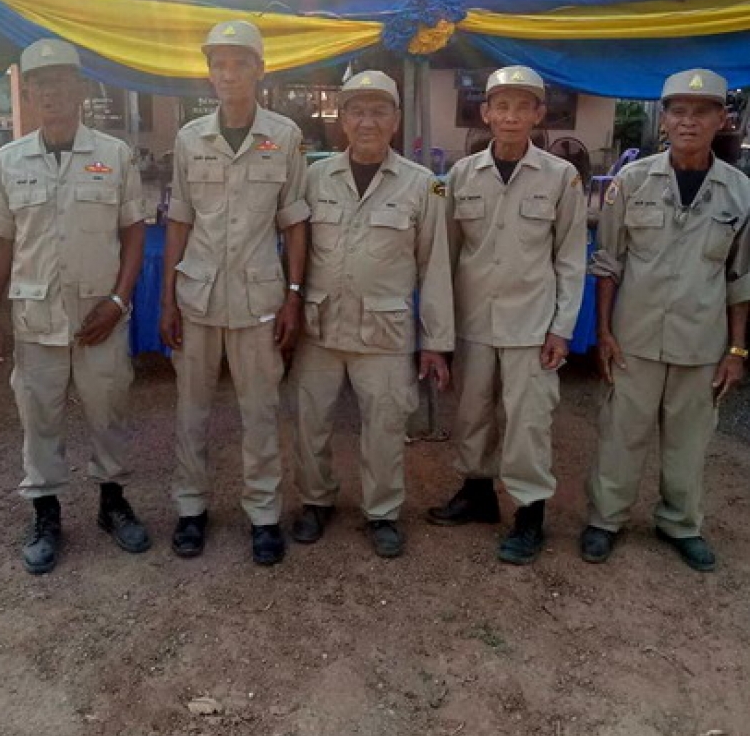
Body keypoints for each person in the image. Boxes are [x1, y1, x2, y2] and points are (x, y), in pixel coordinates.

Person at [0, 38, 149, 575]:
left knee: (108, 411)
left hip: (101, 315)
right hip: (36, 318)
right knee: (39, 418)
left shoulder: (114, 155)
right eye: (39, 84)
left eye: (60, 82)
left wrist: (120, 300)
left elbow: (134, 230)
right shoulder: (9, 161)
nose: (50, 92)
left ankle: (112, 503)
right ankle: (46, 514)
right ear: (28, 93)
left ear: (80, 89)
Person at [581, 68, 750, 571]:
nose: (688, 122)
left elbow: (741, 278)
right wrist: (603, 332)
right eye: (678, 111)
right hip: (633, 338)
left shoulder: (740, 192)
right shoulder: (632, 182)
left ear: (722, 120)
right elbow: (608, 263)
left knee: (689, 442)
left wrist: (737, 350)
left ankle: (680, 523)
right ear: (664, 120)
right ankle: (605, 520)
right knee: (620, 435)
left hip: (701, 343)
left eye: (701, 112)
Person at [160, 20, 308, 566]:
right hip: (198, 296)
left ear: (259, 70)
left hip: (259, 299)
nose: (228, 74)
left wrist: (294, 294)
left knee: (261, 412)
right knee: (191, 410)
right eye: (218, 65)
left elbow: (295, 221)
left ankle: (264, 515)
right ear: (209, 73)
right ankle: (191, 508)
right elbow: (179, 219)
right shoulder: (189, 138)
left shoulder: (284, 137)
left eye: (239, 63)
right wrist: (166, 299)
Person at [290, 70, 453, 558]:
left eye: (379, 111)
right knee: (310, 421)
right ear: (341, 120)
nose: (368, 122)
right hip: (319, 328)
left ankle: (382, 511)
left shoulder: (422, 186)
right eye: (357, 111)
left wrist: (436, 342)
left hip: (385, 332)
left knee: (385, 426)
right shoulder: (315, 178)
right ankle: (315, 500)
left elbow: (435, 267)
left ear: (396, 120)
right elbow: (293, 252)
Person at [427, 66, 587, 564]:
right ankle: (478, 495)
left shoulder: (560, 177)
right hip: (475, 320)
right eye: (501, 106)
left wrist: (562, 328)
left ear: (539, 114)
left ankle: (529, 514)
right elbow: (445, 257)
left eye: (522, 106)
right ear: (486, 113)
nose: (511, 116)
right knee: (471, 413)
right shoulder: (461, 175)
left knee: (527, 423)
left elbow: (570, 258)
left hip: (532, 325)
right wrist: (441, 332)